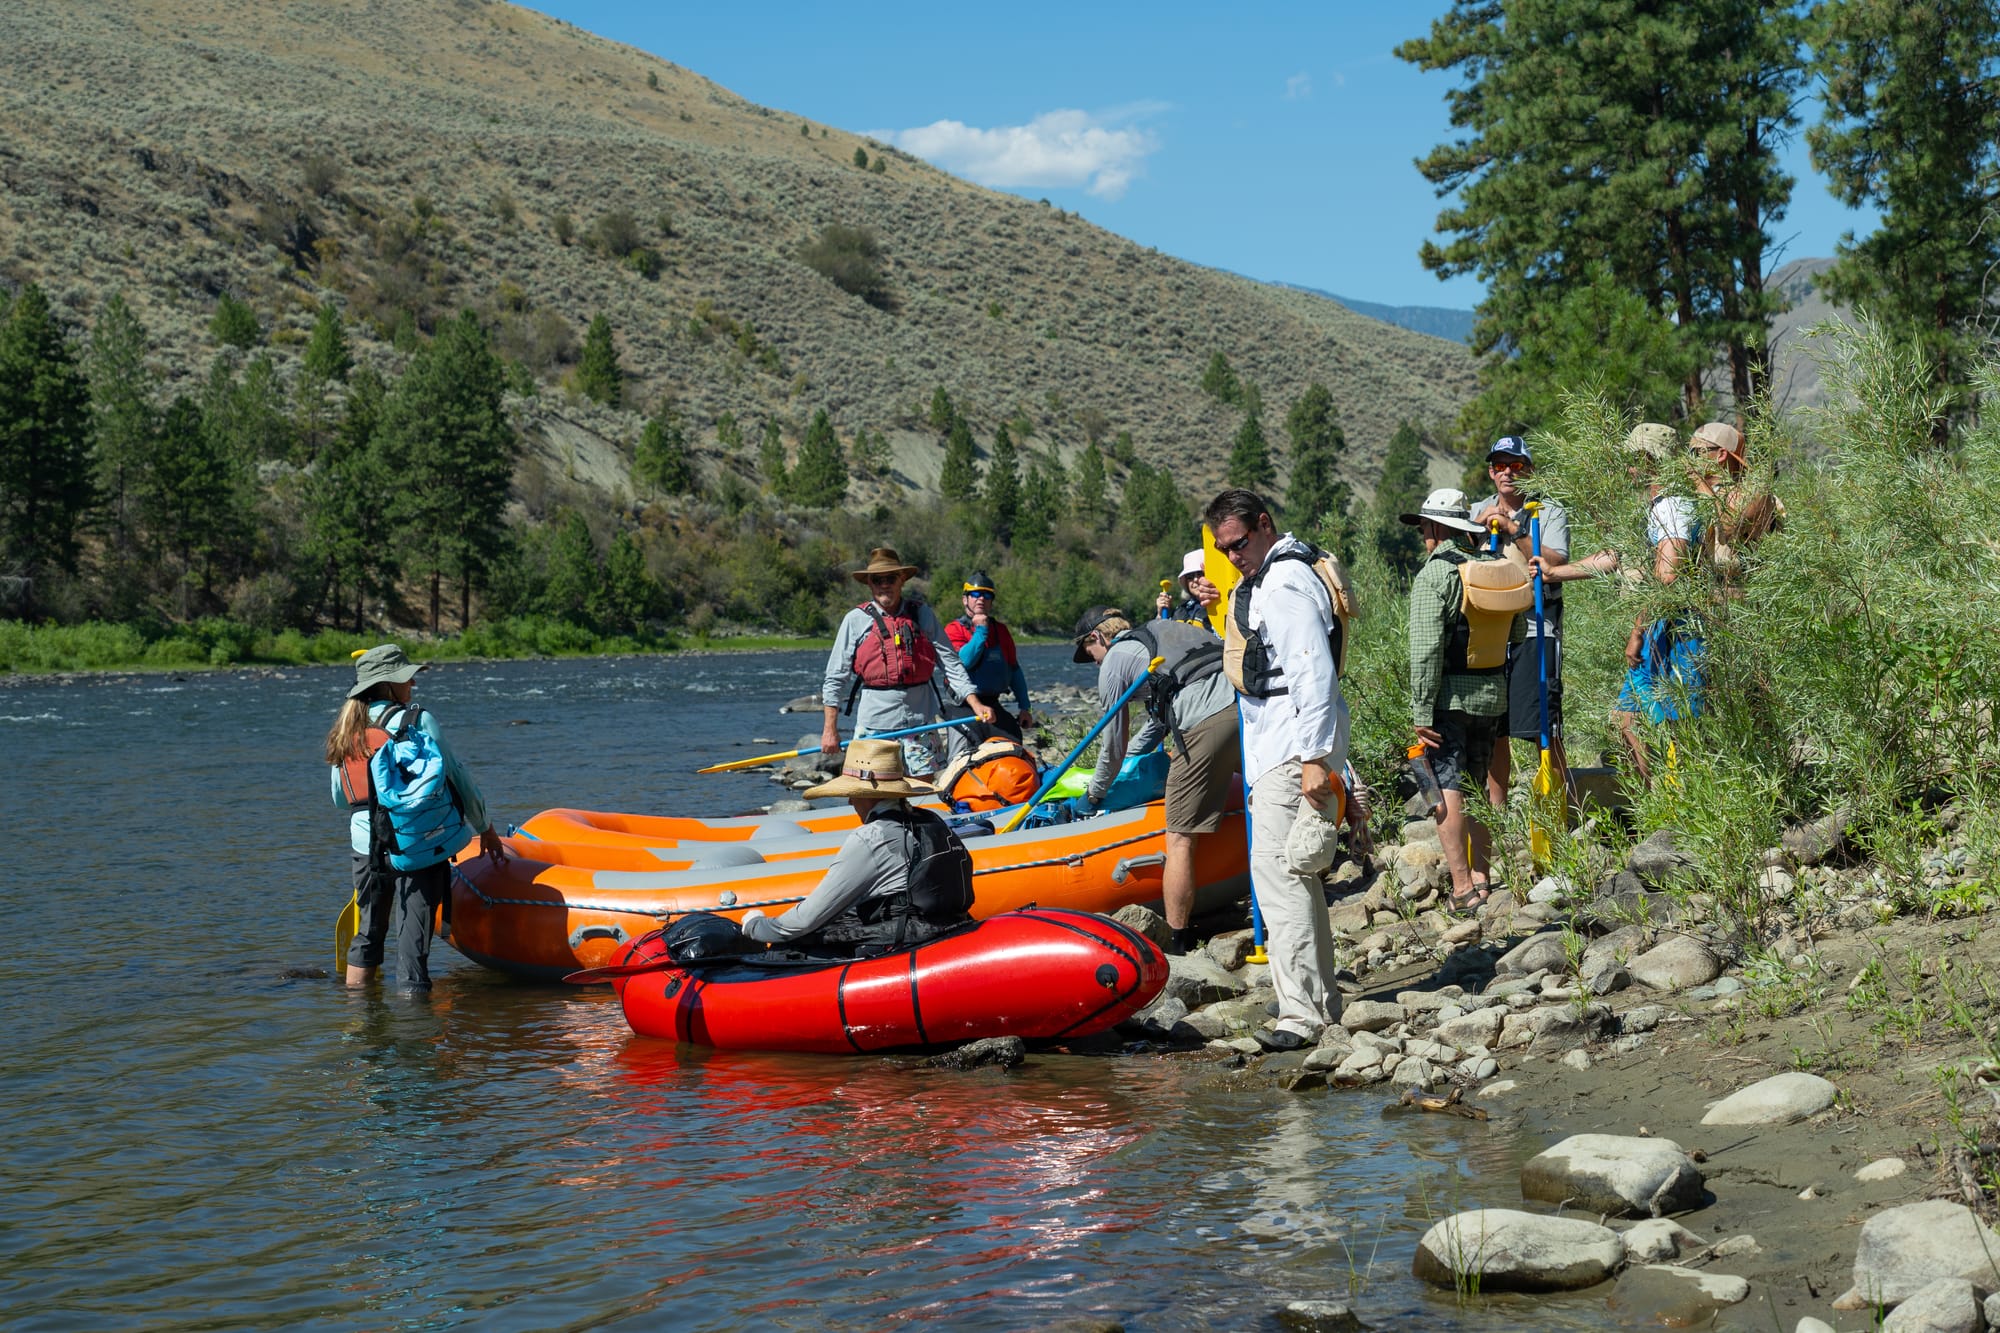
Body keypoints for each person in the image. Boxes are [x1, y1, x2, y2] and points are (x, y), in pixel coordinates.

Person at [1204, 487, 1347, 1052]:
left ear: (1264, 526)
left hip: (1291, 749)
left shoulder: (1285, 583)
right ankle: (1317, 1001)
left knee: (1279, 879)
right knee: (1297, 877)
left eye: (1238, 544)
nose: (1233, 556)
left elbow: (1312, 671)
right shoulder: (1277, 574)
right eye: (1223, 549)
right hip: (1288, 746)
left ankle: (1302, 1016)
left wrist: (1316, 759)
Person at [327, 644, 504, 991]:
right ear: (388, 685)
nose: (412, 685)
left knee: (368, 935)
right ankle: (415, 1029)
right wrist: (485, 827)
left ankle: (359, 1021)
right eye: (407, 678)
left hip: (366, 847)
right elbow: (455, 774)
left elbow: (339, 798)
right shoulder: (417, 721)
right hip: (417, 844)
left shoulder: (348, 731)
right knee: (413, 942)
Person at [1071, 603, 1241, 955]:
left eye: (1092, 655)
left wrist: (1095, 794)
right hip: (1246, 709)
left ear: (1097, 637)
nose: (1096, 664)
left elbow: (1112, 744)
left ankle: (1178, 941)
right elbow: (1163, 713)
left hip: (1205, 721)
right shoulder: (1164, 633)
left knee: (1179, 837)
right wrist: (1136, 755)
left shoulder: (1116, 660)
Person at [1403, 487, 1524, 911]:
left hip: (1449, 701)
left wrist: (1421, 710)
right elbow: (1518, 633)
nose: (1422, 535)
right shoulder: (1501, 566)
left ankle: (1461, 888)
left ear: (1436, 527)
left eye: (1422, 527)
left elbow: (1425, 651)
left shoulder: (1434, 575)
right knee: (1480, 786)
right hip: (1493, 694)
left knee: (1446, 788)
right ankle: (1483, 878)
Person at [738, 738, 974, 954]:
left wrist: (756, 926)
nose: (850, 801)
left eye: (853, 794)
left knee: (786, 949)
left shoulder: (872, 836)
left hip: (907, 943)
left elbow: (804, 921)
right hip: (952, 927)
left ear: (869, 795)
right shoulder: (931, 819)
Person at [820, 547, 995, 779]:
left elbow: (950, 663)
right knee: (871, 791)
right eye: (877, 580)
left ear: (901, 580)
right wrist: (829, 729)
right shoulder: (854, 620)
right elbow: (835, 677)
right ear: (869, 584)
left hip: (919, 720)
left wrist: (975, 704)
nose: (884, 584)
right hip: (875, 722)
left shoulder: (922, 614)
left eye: (890, 578)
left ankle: (916, 816)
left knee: (921, 786)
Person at [1469, 436, 1572, 810]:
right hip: (1490, 633)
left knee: (1542, 728)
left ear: (1529, 469)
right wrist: (1474, 532)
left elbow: (1557, 564)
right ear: (1491, 471)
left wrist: (1515, 531)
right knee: (1495, 729)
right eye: (1499, 465)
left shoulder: (1548, 510)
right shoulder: (1478, 510)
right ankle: (1497, 814)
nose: (1507, 473)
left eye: (1516, 465)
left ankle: (1562, 809)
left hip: (1535, 628)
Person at [1607, 422, 1704, 785]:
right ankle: (1656, 803)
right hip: (1666, 625)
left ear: (1651, 459)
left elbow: (1668, 575)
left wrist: (1638, 632)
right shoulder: (1662, 506)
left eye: (1635, 458)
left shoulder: (1672, 508)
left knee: (1674, 722)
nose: (1630, 466)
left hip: (1675, 628)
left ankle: (1674, 803)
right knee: (1627, 718)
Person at [941, 569, 1034, 761]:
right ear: (965, 599)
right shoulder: (953, 630)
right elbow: (963, 663)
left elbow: (1014, 670)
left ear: (991, 601)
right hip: (962, 706)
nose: (980, 599)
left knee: (1013, 746)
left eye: (986, 595)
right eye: (975, 594)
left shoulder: (1001, 631)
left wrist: (1025, 707)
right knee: (961, 757)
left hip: (993, 704)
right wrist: (981, 630)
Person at [1688, 420, 1785, 594]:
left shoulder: (1756, 492)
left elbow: (1730, 527)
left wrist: (1698, 482)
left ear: (1721, 455)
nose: (1690, 460)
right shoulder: (1701, 493)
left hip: (1747, 600)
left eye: (1696, 452)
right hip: (1712, 600)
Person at [1158, 549, 1221, 626]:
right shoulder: (1181, 610)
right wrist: (1160, 615)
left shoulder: (1223, 603)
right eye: (1190, 576)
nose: (1195, 579)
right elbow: (1164, 634)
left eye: (1200, 574)